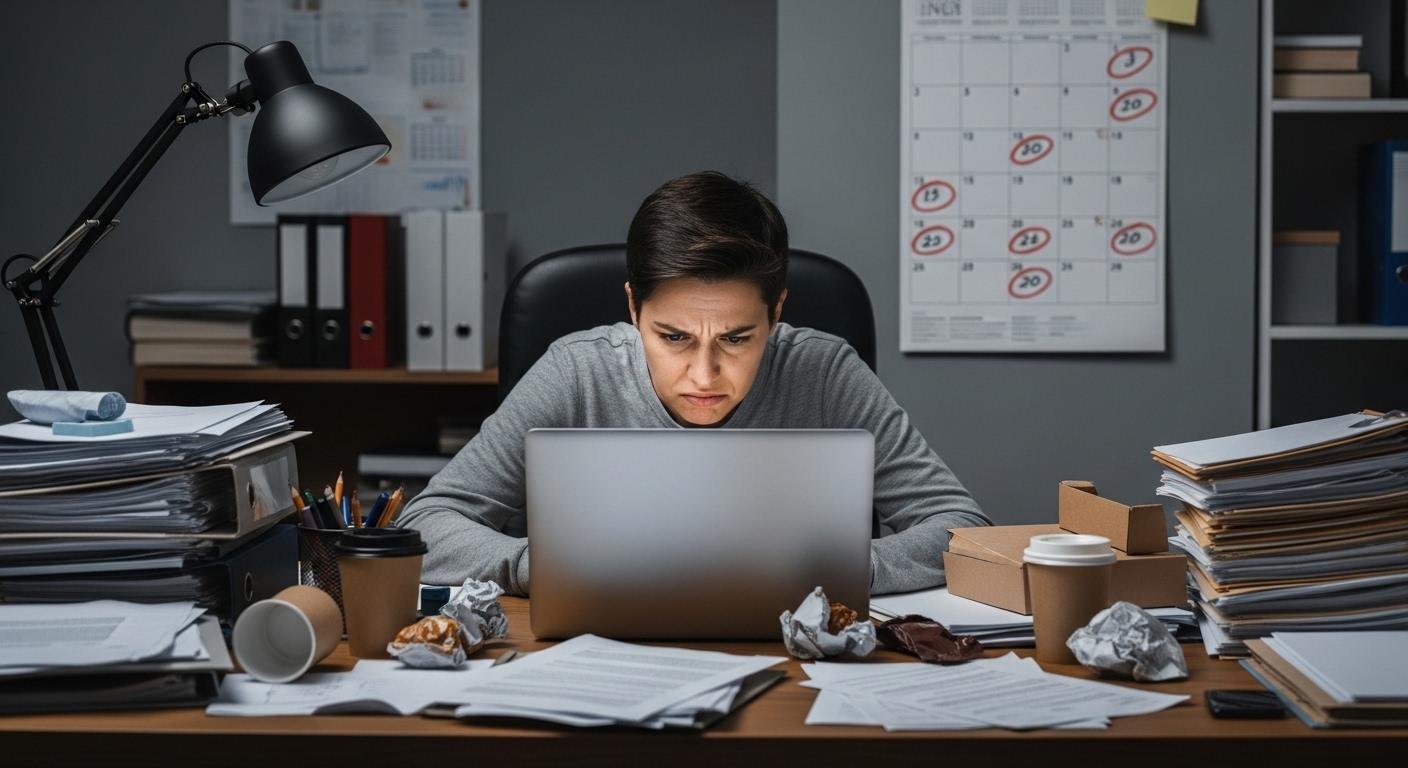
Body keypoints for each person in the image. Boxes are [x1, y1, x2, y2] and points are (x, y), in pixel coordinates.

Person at [398, 171, 990, 595]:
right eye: (674, 337)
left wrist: (844, 568)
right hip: (597, 657)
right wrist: (536, 565)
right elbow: (424, 524)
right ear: (634, 309)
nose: (704, 375)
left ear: (776, 312)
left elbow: (962, 528)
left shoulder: (825, 370)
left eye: (736, 338)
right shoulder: (574, 370)